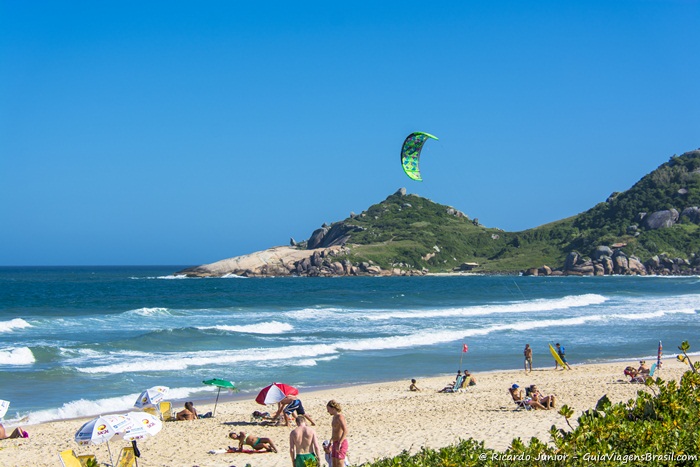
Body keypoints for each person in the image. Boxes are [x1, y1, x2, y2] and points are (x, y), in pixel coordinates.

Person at [325, 400, 348, 467]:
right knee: (334, 464)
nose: (328, 411)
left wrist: (340, 443)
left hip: (341, 442)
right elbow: (334, 432)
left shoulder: (340, 417)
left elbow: (345, 430)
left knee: (339, 463)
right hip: (334, 442)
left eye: (328, 409)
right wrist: (330, 443)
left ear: (333, 408)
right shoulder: (334, 417)